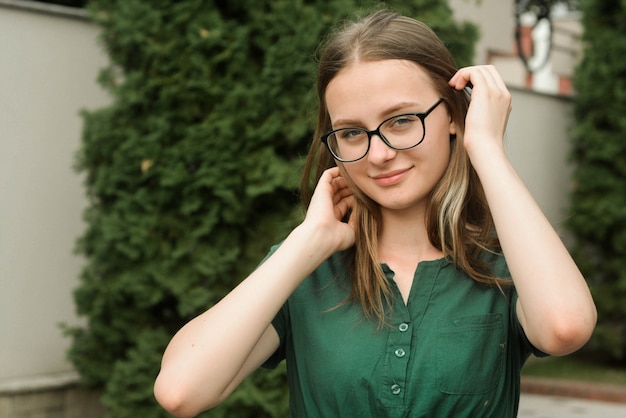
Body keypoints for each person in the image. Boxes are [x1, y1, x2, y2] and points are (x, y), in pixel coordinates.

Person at [154, 9, 596, 418]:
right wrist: (307, 243)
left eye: (402, 120)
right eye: (351, 132)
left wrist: (485, 147)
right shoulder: (307, 271)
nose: (379, 154)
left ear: (454, 116)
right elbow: (181, 391)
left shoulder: (506, 263)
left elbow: (565, 327)